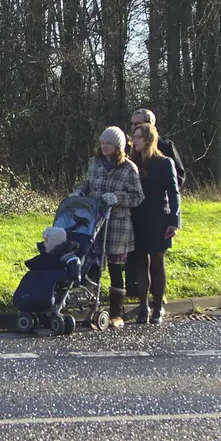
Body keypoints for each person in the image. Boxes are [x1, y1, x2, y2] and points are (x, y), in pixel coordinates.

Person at [72, 126, 144, 326]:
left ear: (118, 146)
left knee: (114, 268)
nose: (104, 146)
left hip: (117, 225)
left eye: (109, 143)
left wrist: (117, 198)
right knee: (92, 264)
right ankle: (90, 305)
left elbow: (138, 197)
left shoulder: (129, 168)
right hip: (94, 222)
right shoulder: (94, 163)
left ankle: (116, 312)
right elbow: (87, 184)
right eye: (102, 142)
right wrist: (78, 194)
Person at [126, 108, 184, 311]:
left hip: (159, 218)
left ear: (149, 138)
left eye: (139, 137)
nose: (134, 140)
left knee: (157, 263)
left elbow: (174, 192)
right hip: (137, 218)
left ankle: (158, 306)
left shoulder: (165, 162)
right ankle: (143, 306)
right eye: (133, 137)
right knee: (140, 263)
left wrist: (174, 221)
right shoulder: (131, 163)